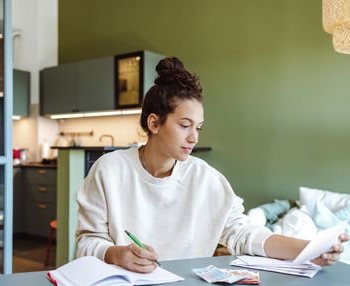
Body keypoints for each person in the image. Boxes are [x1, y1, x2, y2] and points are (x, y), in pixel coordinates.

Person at [76, 57, 348, 273]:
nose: (193, 137)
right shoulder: (109, 170)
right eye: (184, 126)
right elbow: (87, 241)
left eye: (198, 128)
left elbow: (244, 234)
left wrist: (309, 250)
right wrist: (116, 254)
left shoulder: (205, 178)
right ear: (154, 123)